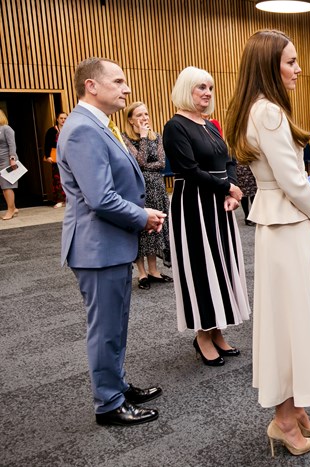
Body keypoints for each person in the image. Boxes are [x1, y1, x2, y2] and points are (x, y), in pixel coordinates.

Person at [224, 29, 310, 457]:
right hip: (286, 226)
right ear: (269, 65)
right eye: (290, 61)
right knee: (290, 326)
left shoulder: (258, 109)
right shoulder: (268, 112)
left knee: (291, 322)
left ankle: (296, 411)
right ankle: (285, 421)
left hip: (282, 225)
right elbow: (292, 179)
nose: (298, 68)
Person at [57, 57, 166, 426]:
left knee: (115, 323)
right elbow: (100, 197)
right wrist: (143, 216)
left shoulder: (97, 125)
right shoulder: (84, 129)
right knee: (105, 328)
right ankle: (108, 403)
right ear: (91, 86)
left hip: (109, 243)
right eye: (118, 81)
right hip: (97, 246)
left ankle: (116, 384)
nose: (127, 88)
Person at [163, 66, 251, 367]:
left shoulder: (211, 125)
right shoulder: (175, 126)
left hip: (217, 203)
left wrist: (229, 192)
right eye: (201, 87)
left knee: (222, 266)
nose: (207, 92)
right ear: (186, 89)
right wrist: (228, 187)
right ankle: (202, 334)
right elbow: (188, 170)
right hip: (193, 206)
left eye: (210, 88)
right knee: (201, 268)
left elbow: (227, 160)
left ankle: (217, 331)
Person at [121, 102, 172, 290]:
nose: (145, 118)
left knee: (155, 229)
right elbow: (138, 161)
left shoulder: (156, 136)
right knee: (140, 230)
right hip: (137, 189)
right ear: (130, 119)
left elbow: (161, 163)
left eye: (146, 114)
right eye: (140, 115)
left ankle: (154, 270)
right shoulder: (125, 139)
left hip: (157, 189)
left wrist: (145, 167)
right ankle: (141, 273)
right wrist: (142, 138)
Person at [44, 111, 68, 208]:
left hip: (69, 157)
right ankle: (60, 200)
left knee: (70, 179)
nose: (63, 120)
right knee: (58, 178)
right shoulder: (52, 131)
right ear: (57, 119)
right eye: (61, 118)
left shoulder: (70, 129)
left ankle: (70, 200)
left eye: (65, 118)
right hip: (56, 157)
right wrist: (47, 156)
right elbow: (47, 144)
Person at [0, 109, 19, 220]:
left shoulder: (6, 128)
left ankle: (10, 210)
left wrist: (12, 159)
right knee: (3, 187)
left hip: (7, 160)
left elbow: (12, 144)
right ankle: (14, 207)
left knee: (7, 185)